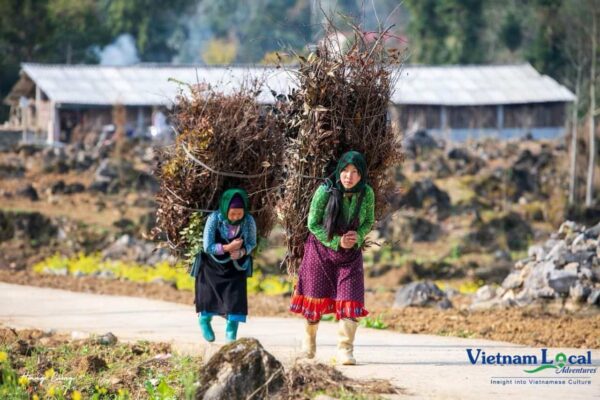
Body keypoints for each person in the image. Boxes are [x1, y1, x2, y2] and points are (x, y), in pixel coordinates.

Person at [290, 151, 375, 365]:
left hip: (350, 255)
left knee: (351, 298)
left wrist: (358, 237)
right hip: (320, 251)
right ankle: (308, 344)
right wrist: (337, 241)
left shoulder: (367, 193)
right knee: (315, 297)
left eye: (355, 172)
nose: (349, 176)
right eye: (345, 171)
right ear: (339, 171)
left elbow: (369, 221)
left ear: (361, 175)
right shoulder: (325, 191)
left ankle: (345, 350)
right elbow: (313, 223)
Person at [194, 188, 257, 343]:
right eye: (233, 213)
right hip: (211, 266)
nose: (236, 217)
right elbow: (207, 246)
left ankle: (231, 332)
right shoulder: (214, 219)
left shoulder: (248, 221)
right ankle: (205, 321)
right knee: (209, 297)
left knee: (236, 300)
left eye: (239, 213)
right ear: (225, 208)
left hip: (235, 267)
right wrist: (228, 248)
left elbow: (251, 243)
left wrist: (241, 252)